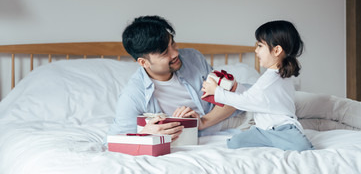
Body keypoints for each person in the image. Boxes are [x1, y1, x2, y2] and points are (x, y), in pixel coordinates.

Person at [107, 15, 239, 141]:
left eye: (173, 44)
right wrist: (145, 133)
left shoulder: (193, 58)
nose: (175, 53)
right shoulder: (133, 95)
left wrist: (202, 122)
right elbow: (112, 142)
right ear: (143, 62)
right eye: (165, 53)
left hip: (237, 118)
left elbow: (233, 98)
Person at [202, 20, 314, 151]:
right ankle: (274, 143)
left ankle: (282, 142)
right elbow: (252, 96)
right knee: (234, 143)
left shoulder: (271, 79)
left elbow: (244, 101)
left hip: (282, 129)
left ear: (277, 50)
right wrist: (237, 88)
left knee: (302, 147)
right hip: (262, 130)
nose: (256, 50)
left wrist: (217, 92)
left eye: (260, 46)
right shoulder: (273, 76)